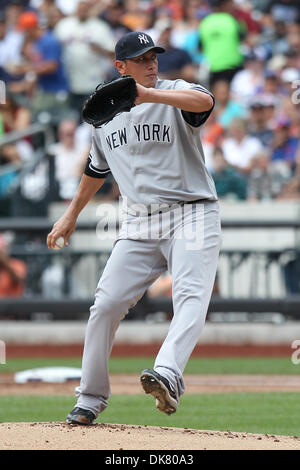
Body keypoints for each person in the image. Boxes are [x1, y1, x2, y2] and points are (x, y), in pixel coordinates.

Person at [47, 31, 221, 425]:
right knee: (104, 305)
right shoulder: (104, 115)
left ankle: (168, 373)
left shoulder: (173, 91)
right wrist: (71, 215)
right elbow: (96, 169)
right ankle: (90, 397)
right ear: (120, 66)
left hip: (191, 211)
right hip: (139, 221)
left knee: (191, 295)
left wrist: (149, 95)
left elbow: (206, 101)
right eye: (141, 59)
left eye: (153, 55)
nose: (151, 63)